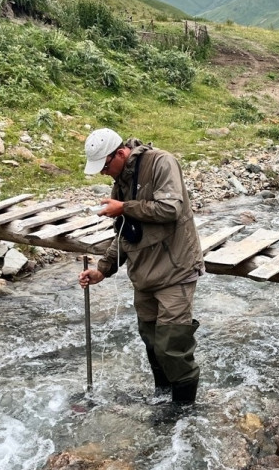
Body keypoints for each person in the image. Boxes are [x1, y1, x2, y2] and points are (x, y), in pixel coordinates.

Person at [77, 127, 205, 405]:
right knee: (151, 340)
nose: (103, 173)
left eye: (105, 166)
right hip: (144, 273)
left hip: (176, 268)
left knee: (172, 344)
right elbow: (124, 232)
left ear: (120, 153)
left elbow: (171, 209)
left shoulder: (161, 162)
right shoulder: (121, 180)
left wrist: (124, 207)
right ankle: (162, 397)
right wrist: (103, 269)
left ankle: (183, 411)